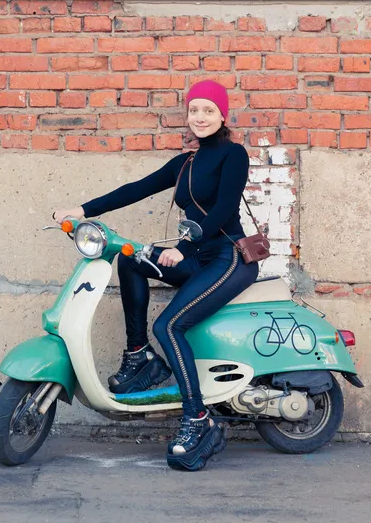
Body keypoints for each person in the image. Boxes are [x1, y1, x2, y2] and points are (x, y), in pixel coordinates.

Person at [53, 80, 259, 471]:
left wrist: (183, 247)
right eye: (194, 109)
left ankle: (198, 420)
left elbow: (223, 210)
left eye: (208, 110)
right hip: (196, 254)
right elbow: (137, 188)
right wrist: (80, 210)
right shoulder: (185, 163)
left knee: (169, 326)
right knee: (130, 259)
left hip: (227, 256)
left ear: (222, 116)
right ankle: (139, 358)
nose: (200, 117)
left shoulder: (234, 155)